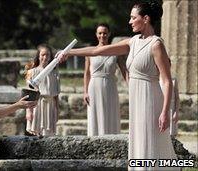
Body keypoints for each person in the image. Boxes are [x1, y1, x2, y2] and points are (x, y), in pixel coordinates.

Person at [58, 1, 179, 170]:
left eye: (133, 17)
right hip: (137, 100)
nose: (129, 21)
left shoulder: (156, 44)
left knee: (150, 140)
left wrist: (165, 111)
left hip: (151, 100)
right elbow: (97, 51)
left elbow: (166, 80)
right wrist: (68, 52)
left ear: (145, 19)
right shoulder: (132, 41)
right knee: (138, 138)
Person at [83, 23, 128, 136]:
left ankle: (111, 138)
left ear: (109, 34)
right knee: (95, 114)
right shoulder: (90, 52)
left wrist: (131, 86)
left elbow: (124, 71)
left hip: (110, 85)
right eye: (100, 33)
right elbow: (87, 73)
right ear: (96, 34)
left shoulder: (115, 52)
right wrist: (85, 91)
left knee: (110, 112)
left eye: (105, 33)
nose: (102, 35)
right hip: (94, 86)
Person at [24, 44, 60, 136]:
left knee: (49, 134)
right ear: (38, 56)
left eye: (47, 55)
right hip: (37, 105)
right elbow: (28, 94)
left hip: (50, 105)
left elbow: (56, 95)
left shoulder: (55, 73)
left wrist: (57, 110)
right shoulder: (32, 72)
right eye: (43, 55)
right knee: (37, 134)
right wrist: (29, 111)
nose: (45, 57)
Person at [159, 59, 179, 137]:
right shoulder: (156, 80)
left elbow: (177, 98)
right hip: (160, 108)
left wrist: (176, 112)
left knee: (171, 134)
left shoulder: (173, 80)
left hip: (171, 108)